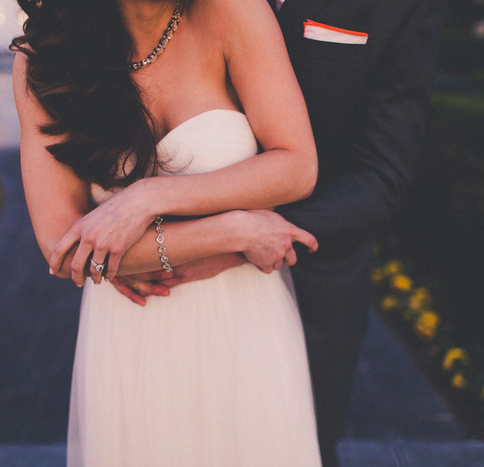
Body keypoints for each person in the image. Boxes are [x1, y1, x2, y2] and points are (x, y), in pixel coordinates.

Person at [116, 0, 446, 465]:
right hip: (157, 286)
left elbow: (381, 174)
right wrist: (126, 231)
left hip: (309, 286)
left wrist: (239, 241)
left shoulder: (403, 8)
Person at [12, 0, 325, 464]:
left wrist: (147, 198)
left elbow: (297, 166)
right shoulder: (45, 57)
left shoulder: (234, 11)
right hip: (131, 333)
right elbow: (62, 244)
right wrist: (233, 231)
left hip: (244, 324)